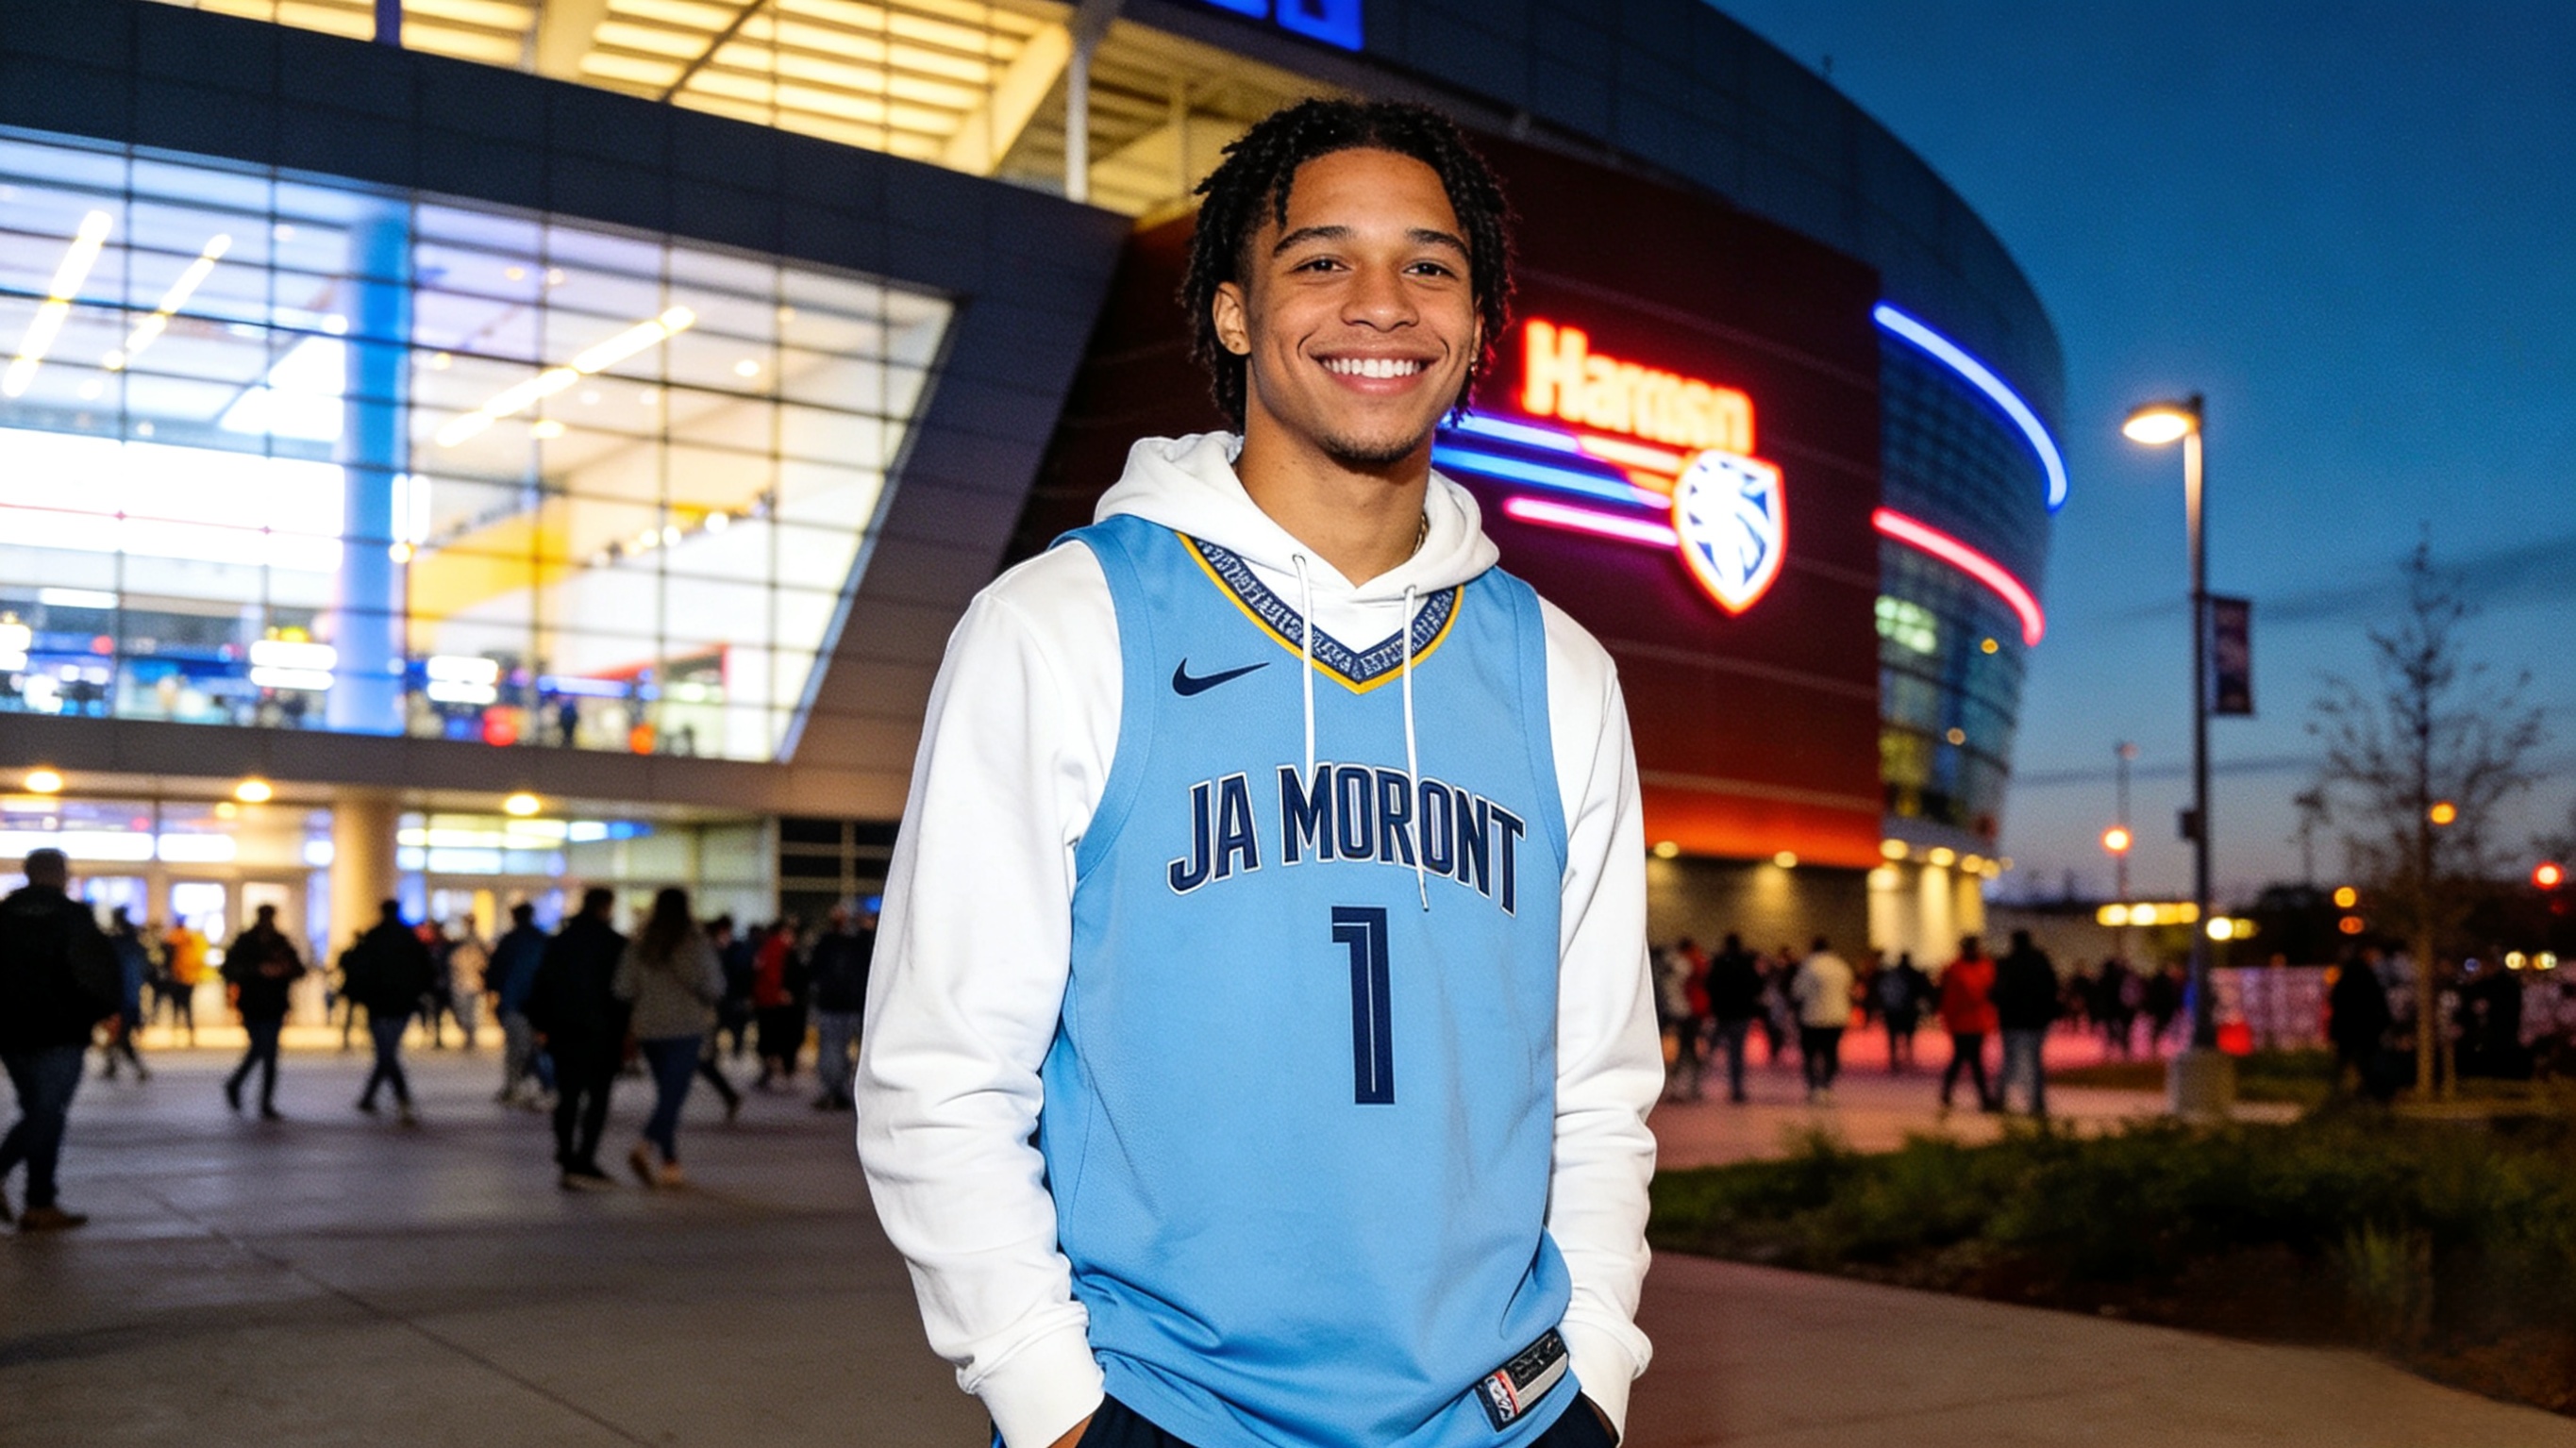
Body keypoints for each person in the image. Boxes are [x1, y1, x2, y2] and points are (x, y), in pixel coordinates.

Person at [858, 99, 1658, 1448]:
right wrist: (1052, 1400)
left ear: (1472, 326)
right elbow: (939, 1069)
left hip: (1503, 1414)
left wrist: (1596, 1372)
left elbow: (1596, 1080)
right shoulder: (1061, 623)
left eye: (1428, 265)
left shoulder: (1559, 668)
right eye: (1320, 258)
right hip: (1160, 1411)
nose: (1379, 303)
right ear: (1233, 312)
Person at [0, 849, 120, 1231]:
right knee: (47, 1114)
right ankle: (35, 1198)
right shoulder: (75, 917)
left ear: (28, 874)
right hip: (60, 1030)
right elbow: (95, 971)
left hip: (11, 1031)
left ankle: (40, 1205)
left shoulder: (2, 915)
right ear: (62, 875)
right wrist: (105, 1011)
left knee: (39, 1112)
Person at [612, 888, 725, 1189]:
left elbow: (622, 988)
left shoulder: (640, 943)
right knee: (672, 1097)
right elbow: (715, 987)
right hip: (686, 1027)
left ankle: (670, 1163)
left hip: (649, 1028)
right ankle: (646, 1145)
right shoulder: (695, 943)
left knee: (667, 1094)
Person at [526, 888, 628, 1190]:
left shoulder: (560, 942)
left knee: (567, 1096)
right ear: (606, 907)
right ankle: (585, 1158)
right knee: (597, 1099)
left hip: (564, 1031)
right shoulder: (615, 944)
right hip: (603, 1033)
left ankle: (567, 1153)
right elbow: (622, 994)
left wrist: (541, 1025)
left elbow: (542, 984)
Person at [341, 901, 434, 1124]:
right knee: (387, 1051)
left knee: (386, 1053)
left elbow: (354, 964)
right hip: (401, 1004)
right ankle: (378, 1098)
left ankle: (400, 1099)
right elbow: (426, 970)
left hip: (379, 1004)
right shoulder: (408, 938)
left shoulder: (374, 937)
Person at [220, 904, 307, 1120]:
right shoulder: (246, 942)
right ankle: (242, 1088)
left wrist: (283, 969)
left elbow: (299, 969)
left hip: (274, 1004)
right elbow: (229, 969)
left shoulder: (280, 942)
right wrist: (256, 970)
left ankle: (258, 1097)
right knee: (262, 1048)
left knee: (267, 1052)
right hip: (252, 1003)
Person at [485, 902, 553, 1107]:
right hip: (540, 1004)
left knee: (516, 1049)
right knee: (539, 1048)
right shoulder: (543, 940)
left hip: (514, 1002)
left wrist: (494, 994)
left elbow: (495, 973)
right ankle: (542, 1086)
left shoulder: (509, 942)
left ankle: (516, 1088)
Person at [807, 904, 873, 1112]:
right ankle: (837, 1090)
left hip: (835, 1004)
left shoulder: (829, 943)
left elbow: (813, 971)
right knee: (839, 1049)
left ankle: (834, 1090)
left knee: (832, 1049)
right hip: (849, 1004)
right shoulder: (857, 943)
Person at [1992, 929, 2060, 1118]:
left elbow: (1998, 992)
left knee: (2010, 1060)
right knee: (2035, 1061)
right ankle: (2037, 1103)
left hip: (2012, 1020)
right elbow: (2052, 988)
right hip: (2037, 1020)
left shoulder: (2007, 964)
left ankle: (2001, 1098)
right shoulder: (2040, 962)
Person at [1937, 936, 1999, 1112]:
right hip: (1968, 1021)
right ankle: (1983, 1098)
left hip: (1968, 1022)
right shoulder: (1979, 967)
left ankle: (1949, 1092)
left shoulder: (1954, 968)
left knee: (1962, 1058)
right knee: (1971, 1059)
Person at [1789, 936, 1853, 1102]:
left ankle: (1814, 1089)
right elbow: (1849, 988)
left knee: (1810, 1055)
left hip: (1812, 1017)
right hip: (1836, 1017)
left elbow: (1797, 992)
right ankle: (1826, 1086)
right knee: (1831, 1053)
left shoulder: (1809, 966)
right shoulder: (1840, 966)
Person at [2329, 944, 2395, 1102]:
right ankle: (2369, 1092)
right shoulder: (2369, 980)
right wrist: (2383, 1025)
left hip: (2346, 1031)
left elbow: (2335, 1001)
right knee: (2367, 1064)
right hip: (2367, 1032)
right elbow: (2380, 1006)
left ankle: (2340, 1093)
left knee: (2344, 1064)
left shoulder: (2344, 981)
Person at [1704, 934, 1764, 1104]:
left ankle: (1695, 1084)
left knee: (1711, 1047)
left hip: (1722, 1012)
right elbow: (1757, 985)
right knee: (1737, 1052)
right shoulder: (1747, 962)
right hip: (1742, 1012)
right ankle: (1737, 1088)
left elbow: (1710, 984)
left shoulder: (1719, 961)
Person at [750, 917, 808, 1090]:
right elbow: (772, 974)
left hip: (767, 1001)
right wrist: (780, 993)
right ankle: (781, 1074)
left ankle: (768, 1073)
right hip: (777, 1002)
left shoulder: (769, 947)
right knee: (782, 1039)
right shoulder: (779, 948)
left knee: (770, 1039)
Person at [99, 907, 152, 1082]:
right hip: (129, 998)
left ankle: (130, 1068)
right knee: (120, 1035)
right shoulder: (133, 945)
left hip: (121, 998)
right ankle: (113, 1066)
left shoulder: (117, 944)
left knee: (121, 1036)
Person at [1878, 951, 1929, 1073]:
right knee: (1909, 1036)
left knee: (1893, 1037)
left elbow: (1883, 990)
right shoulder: (1915, 974)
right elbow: (1923, 991)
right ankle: (1908, 1058)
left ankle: (1894, 1060)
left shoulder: (1891, 974)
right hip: (1909, 1010)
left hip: (1892, 1010)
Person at [161, 919, 204, 1044]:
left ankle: (175, 1034)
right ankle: (191, 1035)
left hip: (176, 978)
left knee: (175, 1007)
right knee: (188, 1007)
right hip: (189, 979)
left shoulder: (172, 938)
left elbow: (166, 958)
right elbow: (197, 959)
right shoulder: (190, 938)